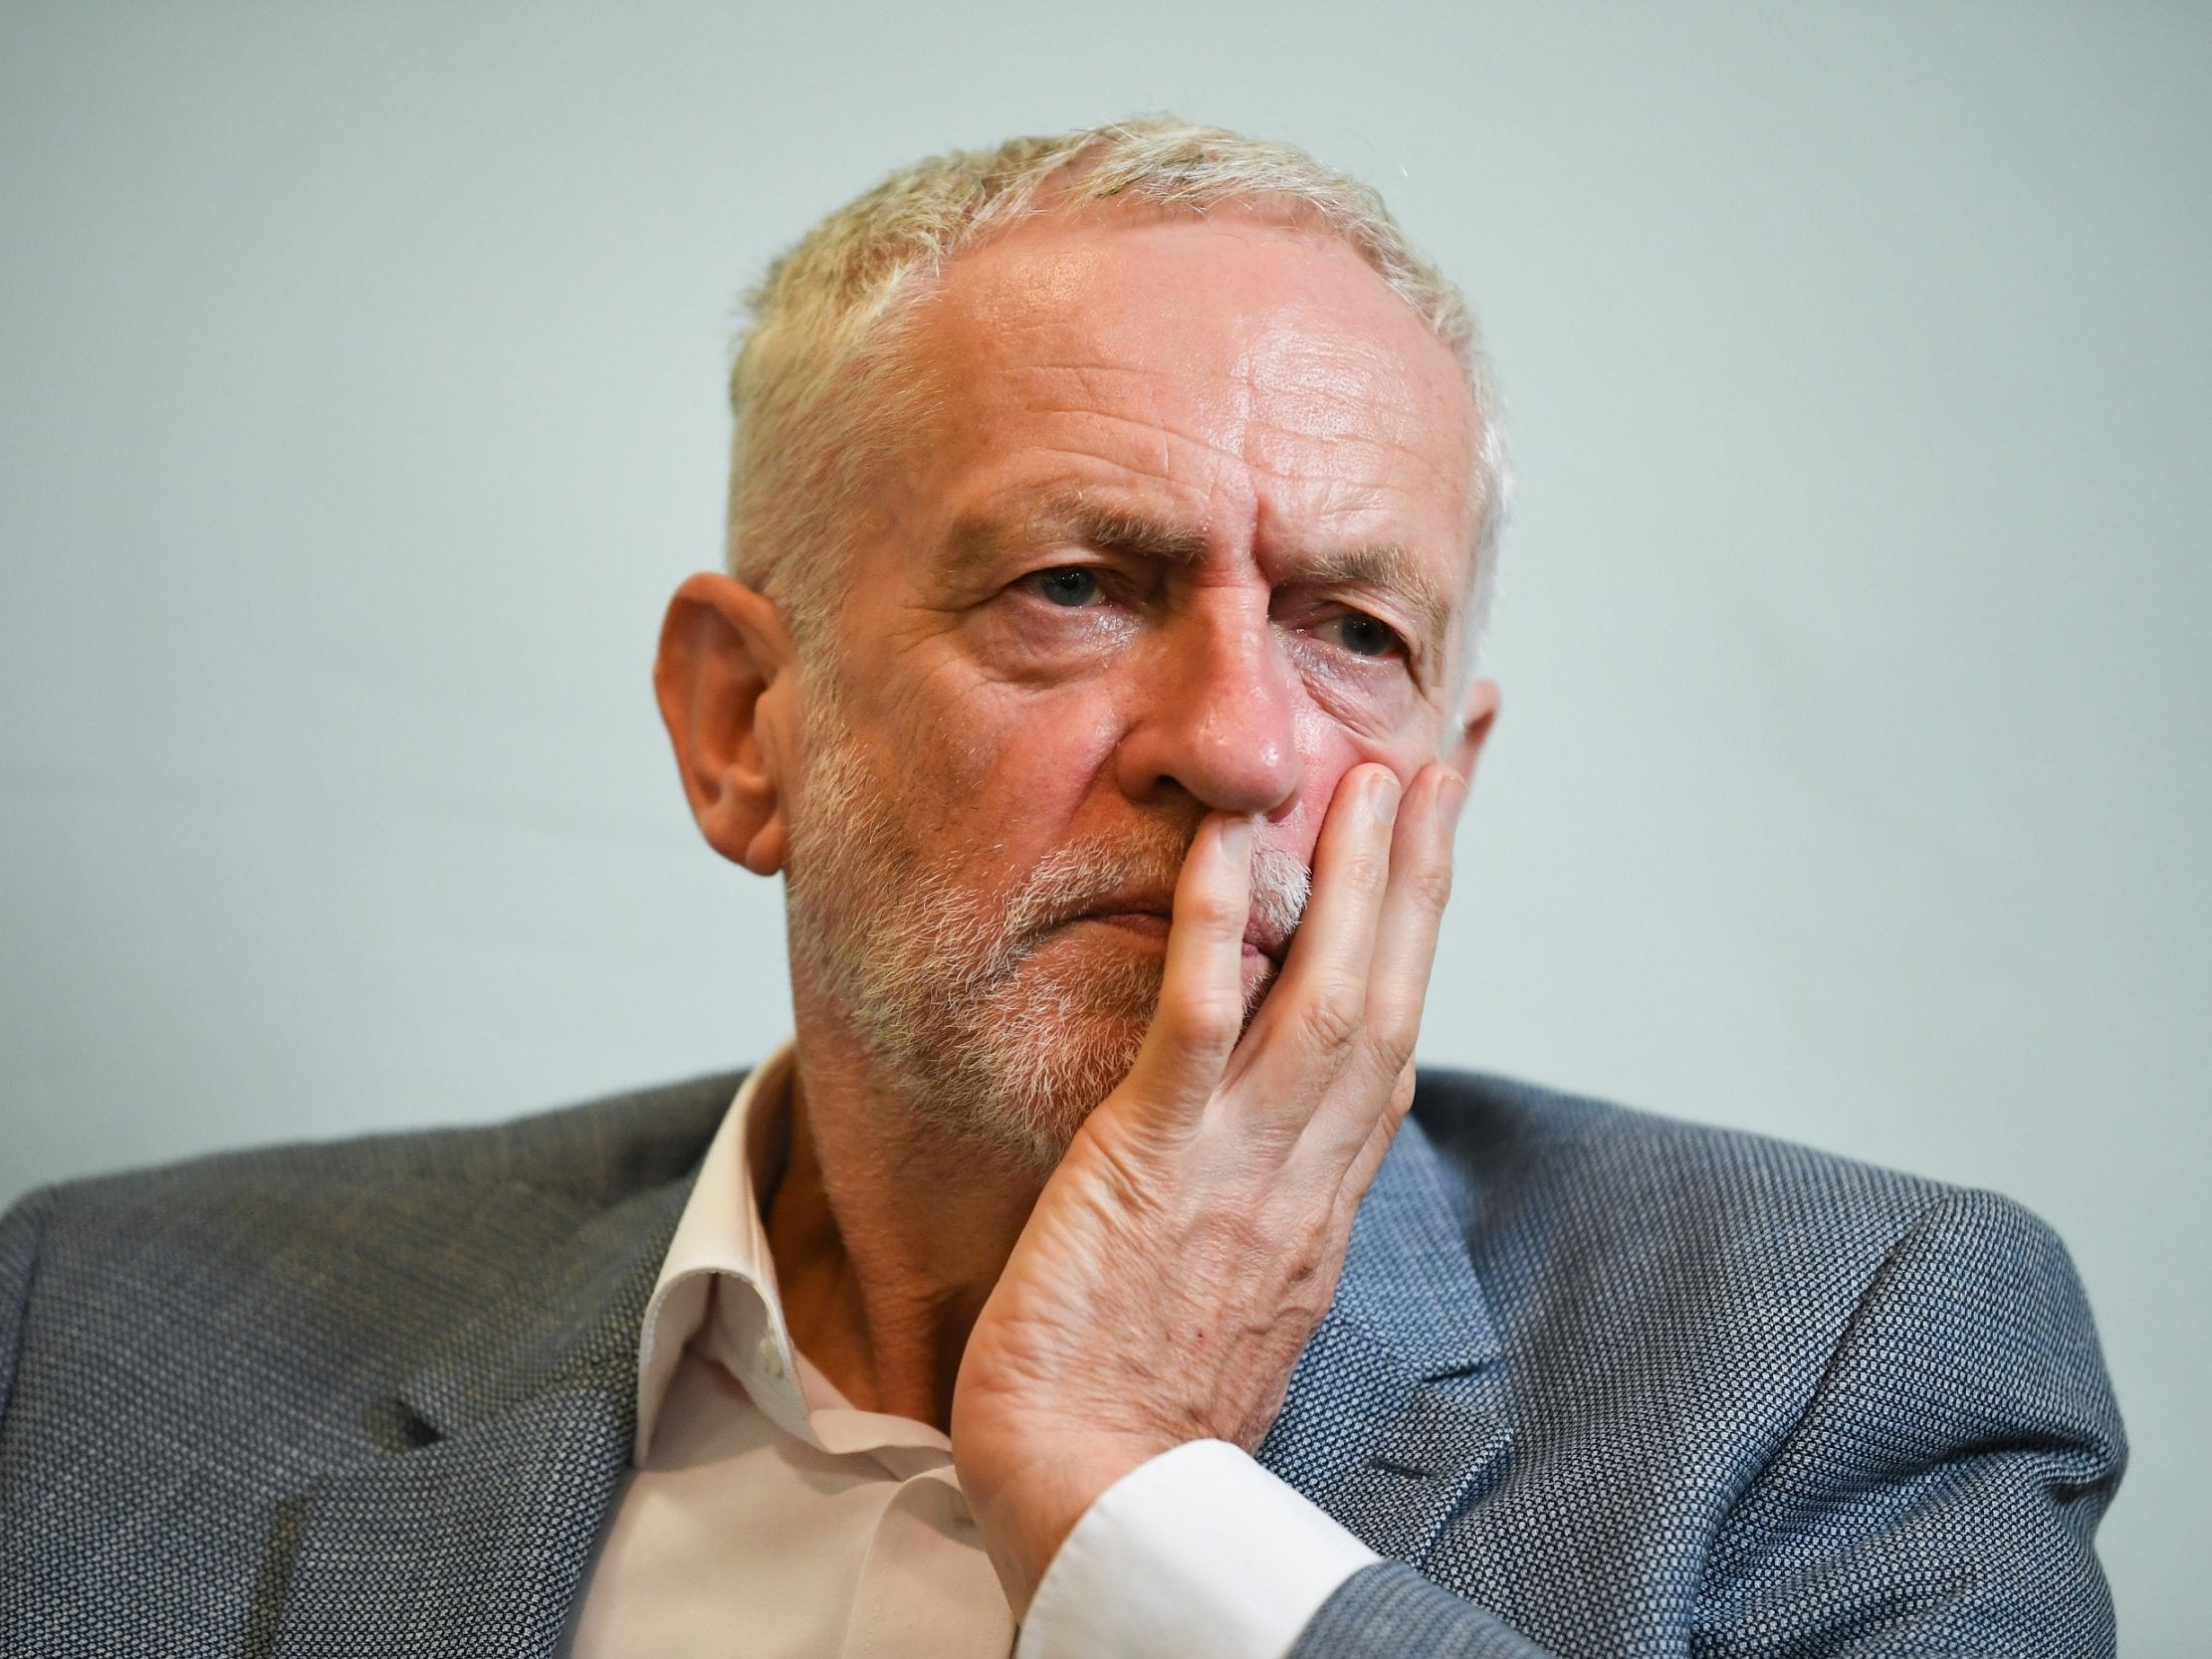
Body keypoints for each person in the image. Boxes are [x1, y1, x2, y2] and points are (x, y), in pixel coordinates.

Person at [0, 118, 2123, 1659]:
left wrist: (1134, 1497)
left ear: (1441, 792)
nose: (1246, 742)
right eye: (1077, 586)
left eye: (1353, 632)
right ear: (747, 726)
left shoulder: (1847, 1378)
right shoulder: (92, 1341)